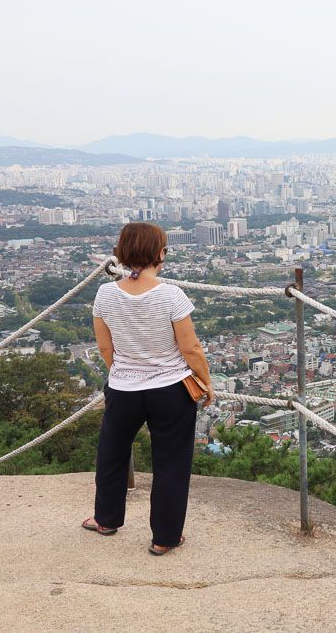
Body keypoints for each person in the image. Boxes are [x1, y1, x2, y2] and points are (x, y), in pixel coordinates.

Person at [81, 222, 214, 555]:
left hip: (123, 388)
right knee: (171, 462)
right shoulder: (171, 295)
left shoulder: (105, 294)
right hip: (170, 390)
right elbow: (191, 349)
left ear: (122, 253)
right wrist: (206, 383)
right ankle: (164, 537)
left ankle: (106, 519)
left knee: (111, 453)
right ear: (160, 254)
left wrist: (124, 374)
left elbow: (104, 348)